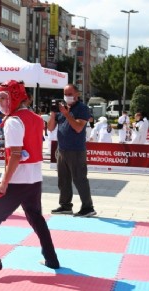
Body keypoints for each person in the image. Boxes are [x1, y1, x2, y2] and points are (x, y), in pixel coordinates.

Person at [0, 80, 60, 279]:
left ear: (15, 97)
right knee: (36, 218)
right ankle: (51, 259)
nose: (1, 103)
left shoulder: (13, 121)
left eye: (4, 98)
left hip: (18, 180)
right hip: (34, 178)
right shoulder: (36, 118)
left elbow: (15, 154)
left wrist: (3, 183)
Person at [47, 84, 96, 217]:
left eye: (70, 94)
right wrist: (53, 113)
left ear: (77, 94)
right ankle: (65, 205)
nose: (67, 97)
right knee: (63, 180)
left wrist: (66, 114)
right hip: (62, 149)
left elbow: (78, 127)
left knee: (79, 179)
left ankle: (88, 207)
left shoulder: (82, 109)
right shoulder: (61, 109)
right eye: (65, 94)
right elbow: (50, 128)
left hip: (76, 150)